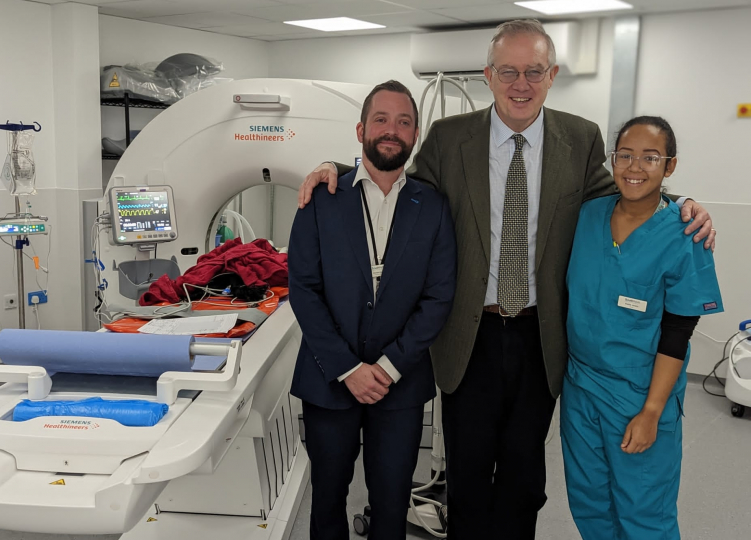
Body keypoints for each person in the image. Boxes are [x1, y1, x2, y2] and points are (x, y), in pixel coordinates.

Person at [296, 20, 717, 540]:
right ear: (488, 75)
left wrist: (682, 204)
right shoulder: (450, 139)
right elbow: (394, 176)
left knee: (524, 477)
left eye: (534, 71)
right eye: (509, 71)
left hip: (541, 336)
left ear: (552, 75)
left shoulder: (580, 138)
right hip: (467, 333)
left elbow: (629, 193)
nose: (521, 83)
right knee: (468, 474)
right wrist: (335, 166)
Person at [288, 80, 457, 540]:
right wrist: (347, 368)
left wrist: (386, 366)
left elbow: (438, 297)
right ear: (361, 128)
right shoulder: (321, 198)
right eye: (381, 119)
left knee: (391, 501)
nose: (391, 130)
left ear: (415, 135)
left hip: (398, 384)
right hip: (329, 379)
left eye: (404, 122)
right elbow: (303, 289)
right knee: (326, 499)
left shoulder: (434, 206)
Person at [561, 117, 723, 539]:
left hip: (639, 394)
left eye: (650, 157)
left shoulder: (685, 233)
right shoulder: (587, 215)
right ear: (612, 161)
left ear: (669, 167)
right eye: (625, 155)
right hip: (581, 389)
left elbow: (677, 333)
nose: (635, 167)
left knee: (644, 515)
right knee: (590, 505)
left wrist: (651, 412)